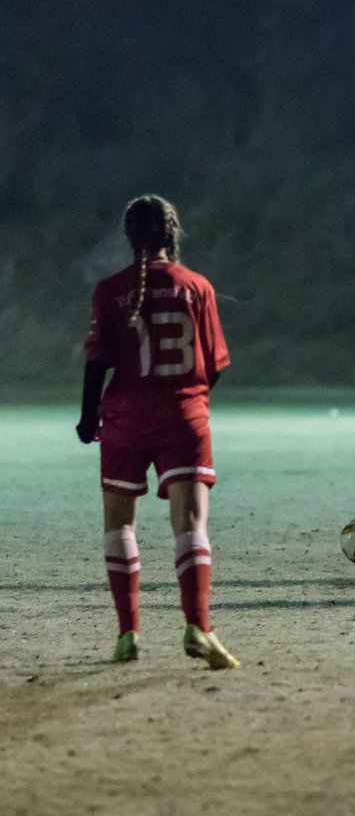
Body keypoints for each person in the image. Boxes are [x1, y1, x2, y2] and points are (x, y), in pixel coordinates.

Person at [76, 195, 240, 668]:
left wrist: (89, 417)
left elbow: (97, 361)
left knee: (119, 524)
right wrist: (187, 397)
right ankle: (199, 627)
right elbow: (214, 367)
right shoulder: (198, 287)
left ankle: (127, 634)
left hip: (124, 417)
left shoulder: (110, 291)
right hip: (183, 417)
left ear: (129, 238)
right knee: (190, 526)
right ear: (173, 234)